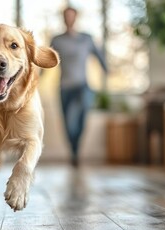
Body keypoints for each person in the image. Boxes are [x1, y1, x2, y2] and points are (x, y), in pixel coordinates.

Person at [50, 7, 108, 167]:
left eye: (71, 16)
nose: (69, 19)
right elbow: (47, 59)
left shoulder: (86, 39)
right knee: (68, 124)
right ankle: (74, 151)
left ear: (76, 18)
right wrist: (35, 77)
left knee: (80, 121)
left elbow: (99, 55)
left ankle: (77, 149)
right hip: (64, 87)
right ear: (63, 18)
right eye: (66, 16)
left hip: (83, 87)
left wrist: (107, 69)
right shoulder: (57, 40)